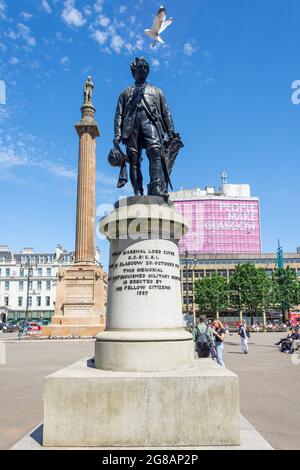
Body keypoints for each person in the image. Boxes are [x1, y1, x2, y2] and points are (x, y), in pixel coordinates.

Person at [113, 57, 178, 197]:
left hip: (151, 124)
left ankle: (156, 188)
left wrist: (171, 130)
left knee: (155, 152)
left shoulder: (157, 92)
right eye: (140, 67)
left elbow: (165, 112)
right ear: (133, 70)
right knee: (134, 159)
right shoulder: (125, 94)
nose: (143, 69)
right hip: (131, 128)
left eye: (145, 67)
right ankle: (137, 191)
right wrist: (117, 134)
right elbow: (118, 115)